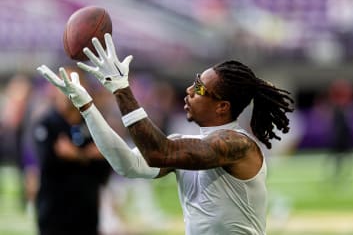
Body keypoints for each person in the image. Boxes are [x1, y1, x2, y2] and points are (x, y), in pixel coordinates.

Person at [37, 33, 294, 235]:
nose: (189, 90)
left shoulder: (238, 144)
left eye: (200, 89)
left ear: (222, 107)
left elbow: (159, 152)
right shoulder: (187, 144)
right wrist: (87, 107)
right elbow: (128, 165)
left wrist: (121, 89)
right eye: (194, 81)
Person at [32, 67, 112, 235]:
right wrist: (87, 156)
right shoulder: (46, 123)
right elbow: (48, 163)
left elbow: (106, 168)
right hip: (54, 215)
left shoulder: (95, 125)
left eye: (74, 83)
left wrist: (75, 155)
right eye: (63, 83)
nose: (68, 90)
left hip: (87, 215)